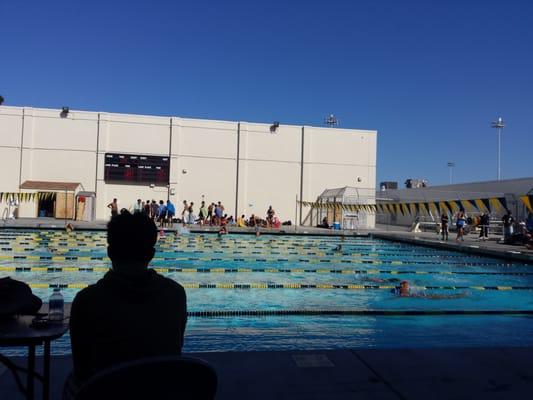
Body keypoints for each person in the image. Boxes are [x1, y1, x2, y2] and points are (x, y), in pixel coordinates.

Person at [69, 211, 187, 386]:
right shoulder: (175, 295)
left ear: (109, 252)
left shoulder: (87, 301)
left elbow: (82, 369)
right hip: (162, 392)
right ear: (152, 254)